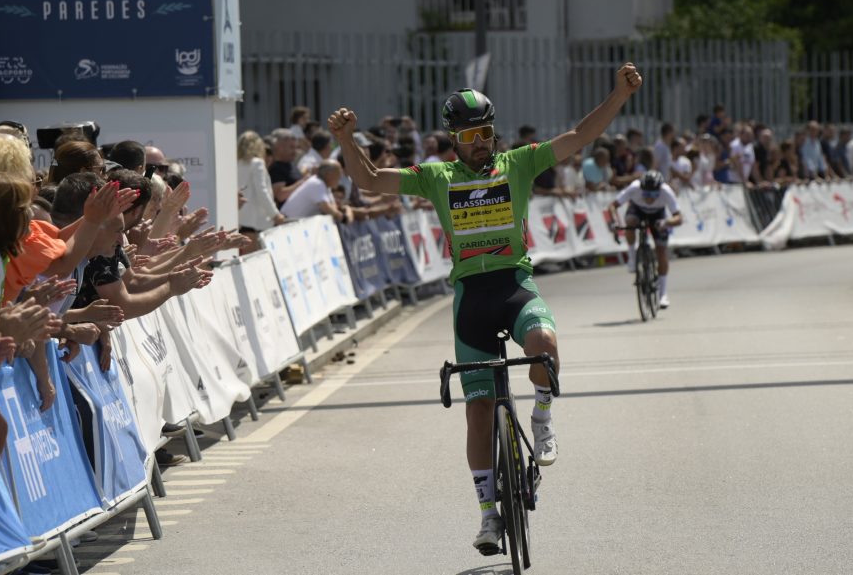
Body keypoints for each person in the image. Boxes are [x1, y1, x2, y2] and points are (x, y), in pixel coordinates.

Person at [328, 63, 643, 554]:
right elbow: (369, 180)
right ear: (454, 139)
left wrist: (619, 95)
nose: (482, 142)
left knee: (544, 343)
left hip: (513, 284)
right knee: (477, 414)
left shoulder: (516, 164)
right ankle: (489, 515)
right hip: (471, 299)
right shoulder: (437, 177)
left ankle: (541, 418)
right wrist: (348, 139)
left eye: (488, 132)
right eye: (472, 135)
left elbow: (581, 135)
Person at [608, 170, 682, 309]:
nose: (649, 198)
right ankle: (632, 256)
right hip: (637, 210)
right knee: (630, 221)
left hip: (658, 215)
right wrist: (614, 222)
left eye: (653, 194)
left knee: (661, 251)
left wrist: (666, 223)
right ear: (641, 189)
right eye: (646, 194)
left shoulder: (666, 191)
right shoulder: (634, 187)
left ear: (659, 190)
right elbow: (613, 206)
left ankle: (663, 294)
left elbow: (679, 217)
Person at [237, 131, 285, 238]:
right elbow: (262, 190)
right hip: (256, 221)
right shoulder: (257, 163)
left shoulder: (236, 163)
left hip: (240, 218)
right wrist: (275, 214)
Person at [280, 160, 347, 221]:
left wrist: (338, 213)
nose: (340, 178)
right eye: (338, 174)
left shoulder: (325, 186)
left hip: (296, 225)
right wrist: (343, 218)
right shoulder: (317, 183)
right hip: (286, 224)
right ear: (328, 175)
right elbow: (326, 208)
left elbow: (333, 206)